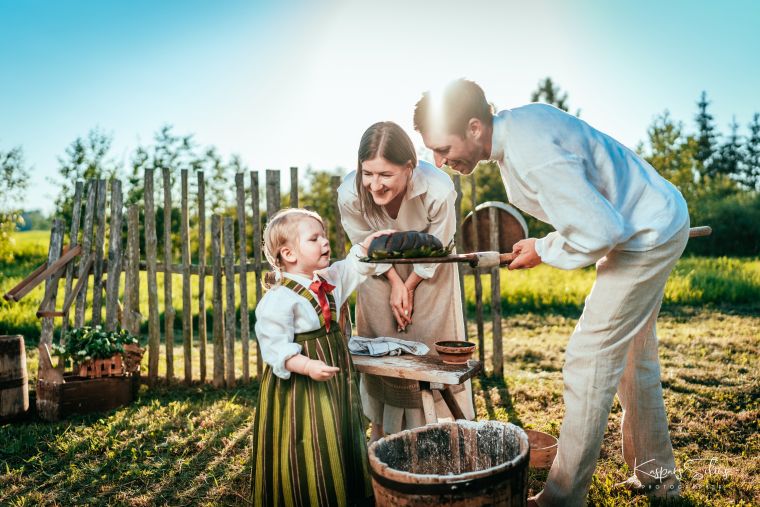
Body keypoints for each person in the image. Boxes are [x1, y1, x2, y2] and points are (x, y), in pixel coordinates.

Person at [413, 79, 689, 506]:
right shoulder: (517, 133)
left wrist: (543, 248)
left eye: (443, 149)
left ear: (473, 127)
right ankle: (658, 478)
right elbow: (584, 206)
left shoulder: (530, 150)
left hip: (644, 233)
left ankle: (561, 499)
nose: (439, 160)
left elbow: (601, 230)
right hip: (644, 223)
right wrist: (544, 245)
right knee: (635, 356)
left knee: (589, 356)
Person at [338, 121, 476, 442]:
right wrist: (395, 283)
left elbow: (440, 242)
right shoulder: (349, 193)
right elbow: (364, 242)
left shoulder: (439, 189)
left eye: (386, 175)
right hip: (376, 270)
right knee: (382, 348)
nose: (374, 185)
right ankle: (384, 435)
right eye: (367, 173)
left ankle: (439, 432)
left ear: (410, 167)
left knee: (430, 347)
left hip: (430, 267)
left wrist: (411, 283)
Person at [250, 207, 393, 507]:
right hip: (299, 388)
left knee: (338, 428)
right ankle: (309, 494)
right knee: (308, 437)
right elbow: (274, 347)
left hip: (333, 379)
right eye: (314, 238)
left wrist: (368, 246)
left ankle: (344, 489)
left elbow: (351, 268)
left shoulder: (326, 280)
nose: (325, 242)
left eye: (324, 235)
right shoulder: (279, 299)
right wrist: (305, 364)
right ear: (289, 254)